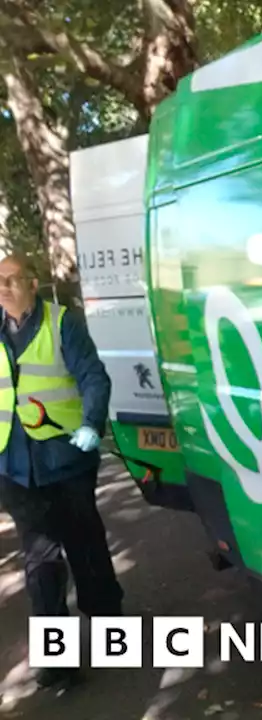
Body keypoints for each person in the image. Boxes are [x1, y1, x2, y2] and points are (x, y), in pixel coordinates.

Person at [0, 253, 118, 690]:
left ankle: (109, 629)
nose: (6, 288)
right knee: (40, 559)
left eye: (14, 280)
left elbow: (93, 377)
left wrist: (90, 424)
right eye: (0, 280)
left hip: (66, 460)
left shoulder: (61, 323)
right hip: (15, 468)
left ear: (33, 283)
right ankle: (57, 656)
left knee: (85, 547)